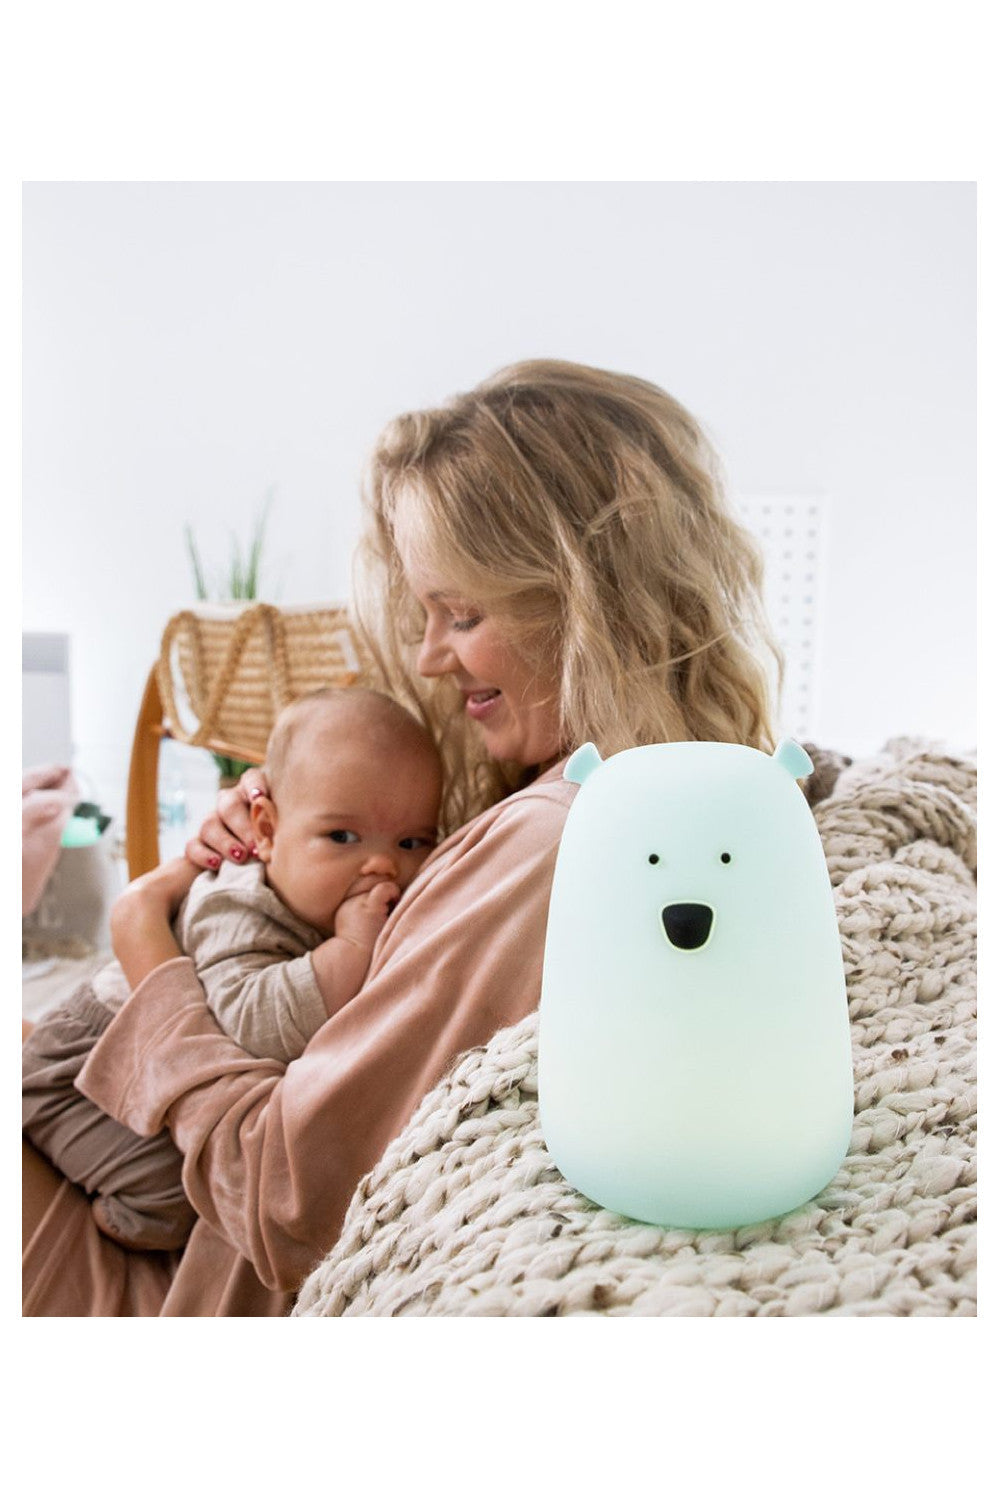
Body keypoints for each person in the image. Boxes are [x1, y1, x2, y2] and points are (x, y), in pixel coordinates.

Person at [22, 359, 782, 1316]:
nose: (428, 655)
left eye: (462, 614)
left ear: (587, 604)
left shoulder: (554, 845)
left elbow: (283, 1198)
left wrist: (147, 951)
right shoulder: (639, 798)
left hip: (189, 1276)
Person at [22, 687, 442, 1251]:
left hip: (154, 1077)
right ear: (265, 831)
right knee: (167, 1202)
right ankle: (113, 1224)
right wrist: (348, 949)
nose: (384, 864)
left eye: (413, 841)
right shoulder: (238, 906)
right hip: (83, 1072)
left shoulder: (332, 902)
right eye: (342, 837)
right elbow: (250, 1027)